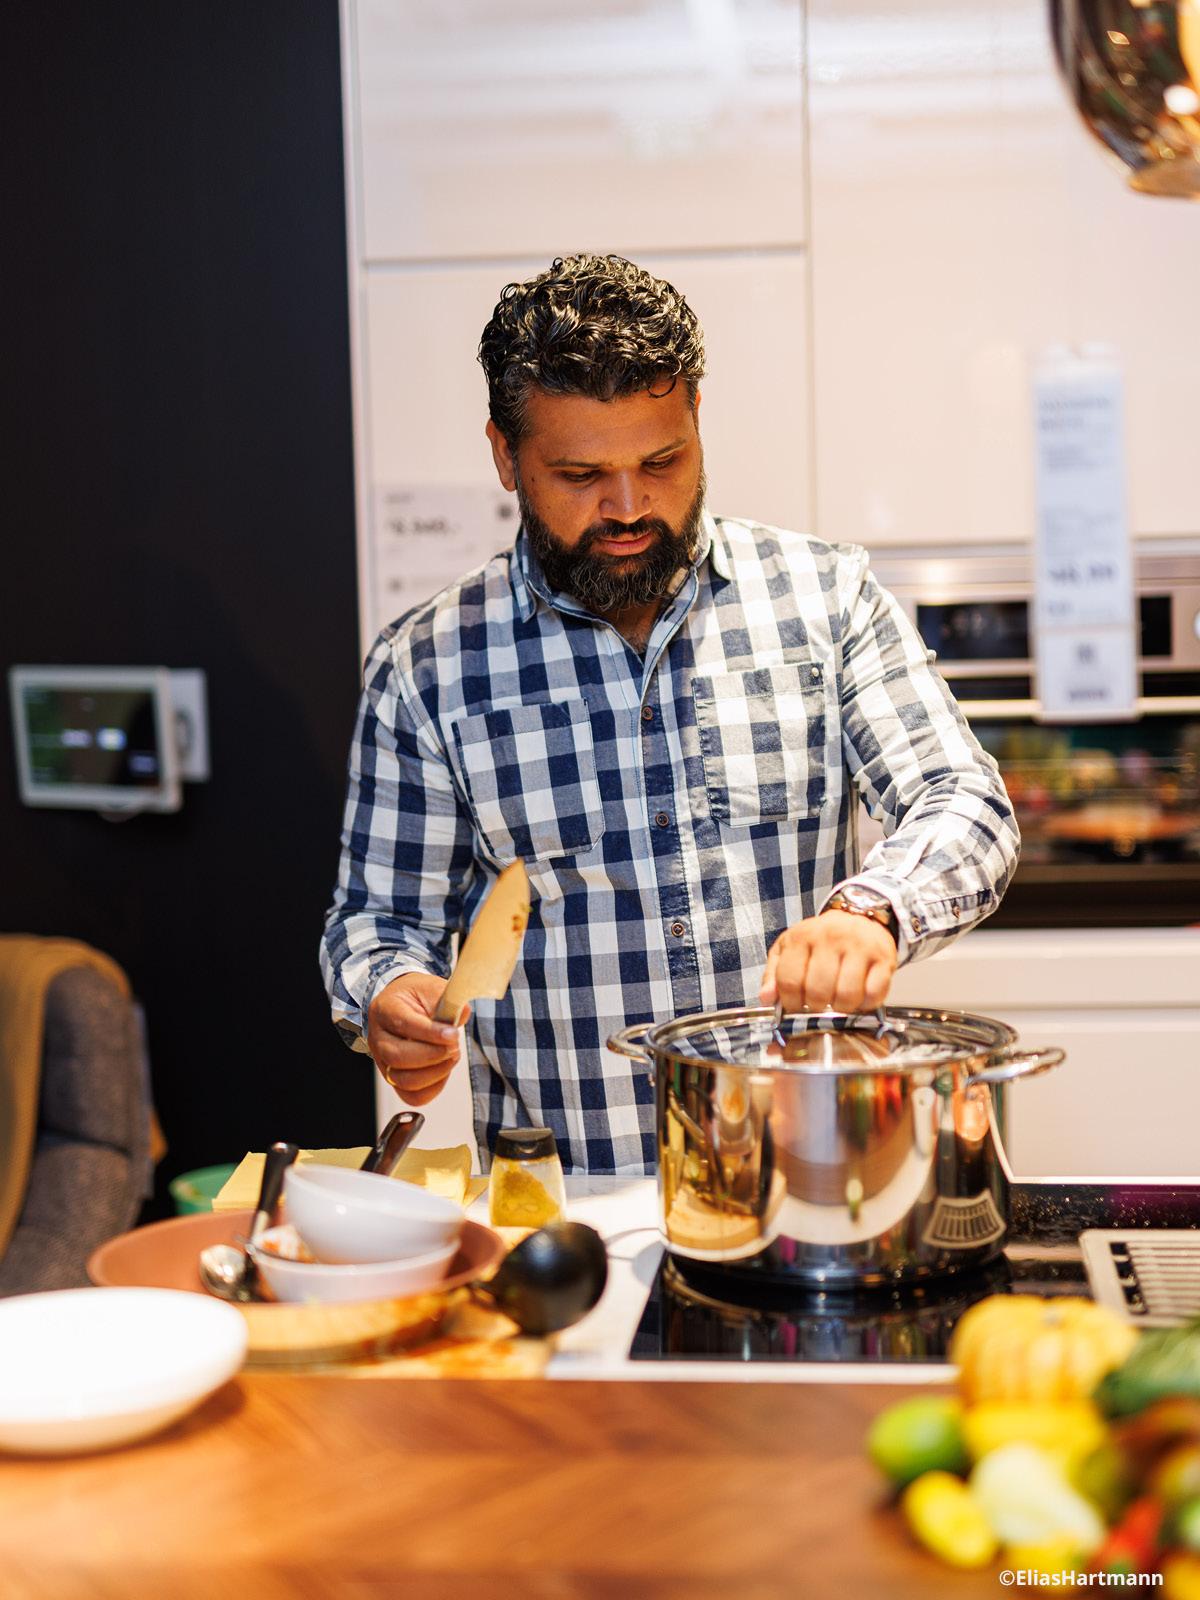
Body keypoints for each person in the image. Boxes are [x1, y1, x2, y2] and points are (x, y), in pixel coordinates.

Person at [321, 254, 1019, 1174]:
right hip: (571, 1213)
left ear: (696, 417)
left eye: (661, 461)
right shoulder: (427, 667)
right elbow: (376, 920)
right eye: (579, 474)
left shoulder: (825, 599)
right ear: (504, 454)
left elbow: (963, 799)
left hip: (810, 1181)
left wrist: (872, 912)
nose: (627, 505)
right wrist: (392, 994)